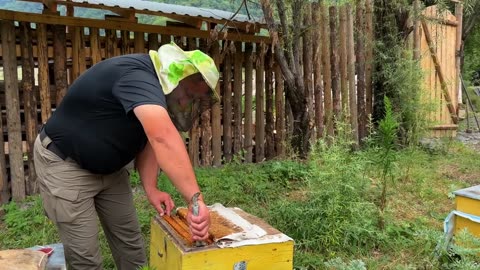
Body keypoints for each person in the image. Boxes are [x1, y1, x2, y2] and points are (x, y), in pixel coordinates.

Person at [33, 42, 219, 270]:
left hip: (111, 169)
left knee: (131, 247)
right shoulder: (138, 78)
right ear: (177, 75)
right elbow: (162, 137)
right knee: (86, 259)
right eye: (188, 94)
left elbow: (150, 141)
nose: (185, 102)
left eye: (193, 100)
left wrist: (150, 188)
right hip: (67, 164)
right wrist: (195, 199)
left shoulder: (158, 90)